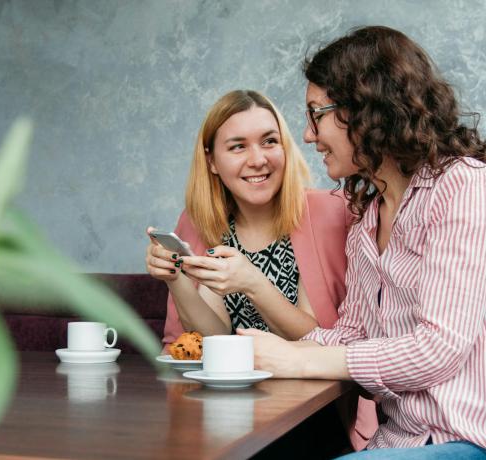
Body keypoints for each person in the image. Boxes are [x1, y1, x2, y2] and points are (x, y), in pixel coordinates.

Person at [238, 27, 486, 460]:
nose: (306, 135)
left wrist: (298, 360)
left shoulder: (463, 186)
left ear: (366, 108)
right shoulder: (367, 220)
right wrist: (266, 353)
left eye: (316, 114)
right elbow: (353, 335)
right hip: (407, 442)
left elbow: (438, 348)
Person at [145, 89, 377, 449]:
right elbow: (213, 338)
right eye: (238, 147)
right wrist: (176, 280)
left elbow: (321, 341)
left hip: (315, 414)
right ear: (212, 161)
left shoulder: (331, 212)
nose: (258, 160)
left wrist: (253, 283)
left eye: (269, 141)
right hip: (225, 411)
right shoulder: (198, 224)